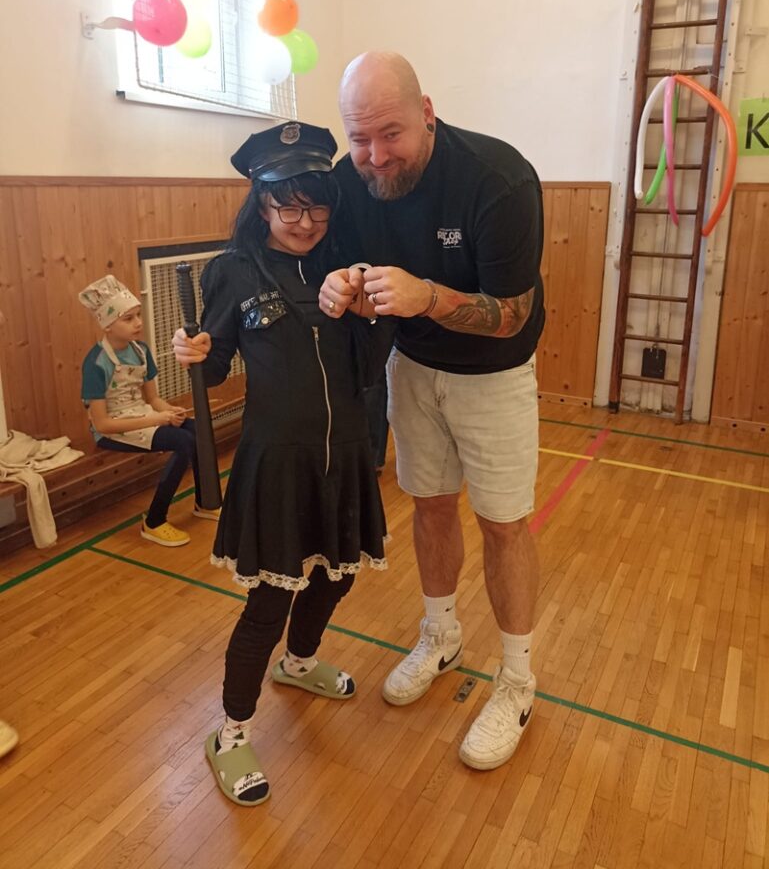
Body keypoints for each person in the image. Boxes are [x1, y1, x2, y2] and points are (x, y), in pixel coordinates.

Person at [319, 52, 545, 771]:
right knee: (429, 505)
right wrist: (347, 288)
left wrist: (428, 298)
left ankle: (517, 680)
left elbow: (512, 315)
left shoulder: (497, 179)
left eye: (390, 134)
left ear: (426, 113)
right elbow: (352, 277)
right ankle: (440, 634)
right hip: (411, 368)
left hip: (495, 376)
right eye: (359, 138)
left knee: (503, 524)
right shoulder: (348, 181)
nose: (375, 156)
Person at [171, 122, 391, 807]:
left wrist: (370, 308)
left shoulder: (348, 264)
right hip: (277, 463)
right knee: (269, 602)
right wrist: (192, 355)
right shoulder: (233, 271)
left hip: (345, 453)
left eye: (316, 205)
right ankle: (231, 732)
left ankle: (298, 663)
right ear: (260, 203)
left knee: (336, 577)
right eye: (287, 207)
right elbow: (213, 371)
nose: (304, 222)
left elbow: (371, 363)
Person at [79, 275, 220, 547]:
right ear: (107, 325)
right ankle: (154, 521)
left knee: (197, 430)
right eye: (128, 318)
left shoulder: (141, 351)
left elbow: (153, 399)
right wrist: (158, 419)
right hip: (114, 429)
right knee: (183, 442)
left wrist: (170, 411)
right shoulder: (95, 363)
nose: (138, 323)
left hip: (143, 415)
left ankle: (205, 501)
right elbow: (102, 424)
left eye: (138, 315)